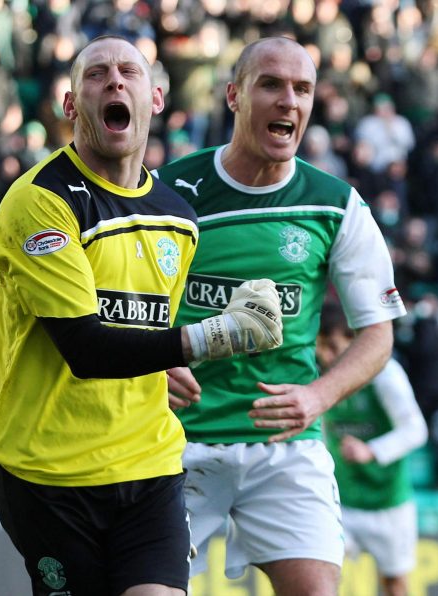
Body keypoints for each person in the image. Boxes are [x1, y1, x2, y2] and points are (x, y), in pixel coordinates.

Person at [0, 35, 284, 596]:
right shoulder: (41, 202)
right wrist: (210, 337)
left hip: (150, 466)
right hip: (50, 474)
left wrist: (165, 360)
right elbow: (87, 349)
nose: (115, 82)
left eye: (129, 72)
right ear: (71, 106)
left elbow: (141, 329)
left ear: (156, 99)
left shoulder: (179, 217)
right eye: (96, 75)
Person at [155, 36, 407, 594]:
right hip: (175, 440)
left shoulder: (335, 204)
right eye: (270, 84)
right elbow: (117, 307)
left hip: (284, 447)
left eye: (302, 89)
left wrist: (320, 395)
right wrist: (150, 361)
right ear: (234, 96)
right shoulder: (169, 193)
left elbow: (378, 334)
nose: (288, 100)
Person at [317, 303, 428, 596]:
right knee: (322, 575)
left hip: (388, 501)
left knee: (394, 585)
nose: (325, 356)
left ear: (353, 339)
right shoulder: (316, 376)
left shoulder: (385, 373)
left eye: (332, 346)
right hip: (342, 500)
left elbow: (416, 430)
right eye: (320, 347)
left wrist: (372, 451)